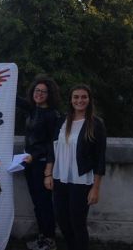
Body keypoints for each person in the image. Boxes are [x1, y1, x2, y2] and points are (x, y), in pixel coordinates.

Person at [44, 84, 106, 250]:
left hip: (81, 181)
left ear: (89, 100)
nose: (80, 100)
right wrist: (48, 174)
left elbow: (100, 158)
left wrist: (96, 188)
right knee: (63, 221)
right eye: (76, 97)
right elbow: (53, 147)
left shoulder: (96, 124)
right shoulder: (62, 121)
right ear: (71, 100)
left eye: (83, 97)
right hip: (60, 179)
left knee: (78, 223)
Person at [16, 76, 61, 250]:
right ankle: (42, 237)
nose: (39, 94)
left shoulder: (53, 115)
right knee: (37, 203)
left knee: (44, 203)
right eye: (37, 90)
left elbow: (52, 144)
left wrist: (34, 156)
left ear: (49, 94)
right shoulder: (32, 110)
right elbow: (15, 99)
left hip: (42, 164)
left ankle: (50, 240)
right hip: (29, 163)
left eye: (43, 91)